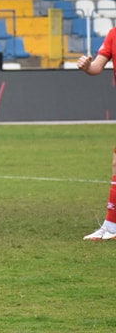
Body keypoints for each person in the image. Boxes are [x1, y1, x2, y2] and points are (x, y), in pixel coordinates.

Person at [76, 30, 116, 240]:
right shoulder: (113, 34)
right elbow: (96, 68)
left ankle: (111, 227)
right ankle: (111, 226)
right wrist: (86, 67)